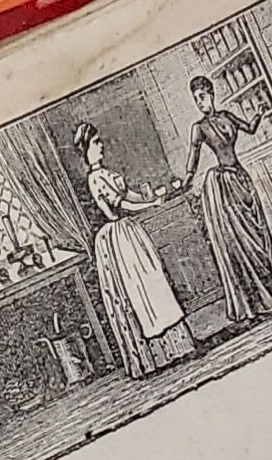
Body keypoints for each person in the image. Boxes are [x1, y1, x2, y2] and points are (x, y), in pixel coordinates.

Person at [73, 122, 194, 376]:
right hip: (119, 236)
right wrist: (150, 205)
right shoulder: (95, 179)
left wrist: (154, 197)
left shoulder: (107, 172)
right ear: (86, 151)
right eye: (95, 143)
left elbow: (132, 196)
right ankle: (158, 355)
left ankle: (177, 347)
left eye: (100, 141)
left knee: (154, 283)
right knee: (142, 290)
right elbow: (122, 205)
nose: (101, 145)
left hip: (129, 231)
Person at [168, 75, 272, 329]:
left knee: (261, 235)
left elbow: (250, 128)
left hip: (242, 178)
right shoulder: (198, 128)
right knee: (244, 244)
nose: (200, 102)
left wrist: (259, 113)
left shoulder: (227, 116)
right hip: (226, 186)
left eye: (202, 96)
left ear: (211, 93)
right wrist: (185, 183)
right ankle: (259, 300)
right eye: (196, 99)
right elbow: (194, 158)